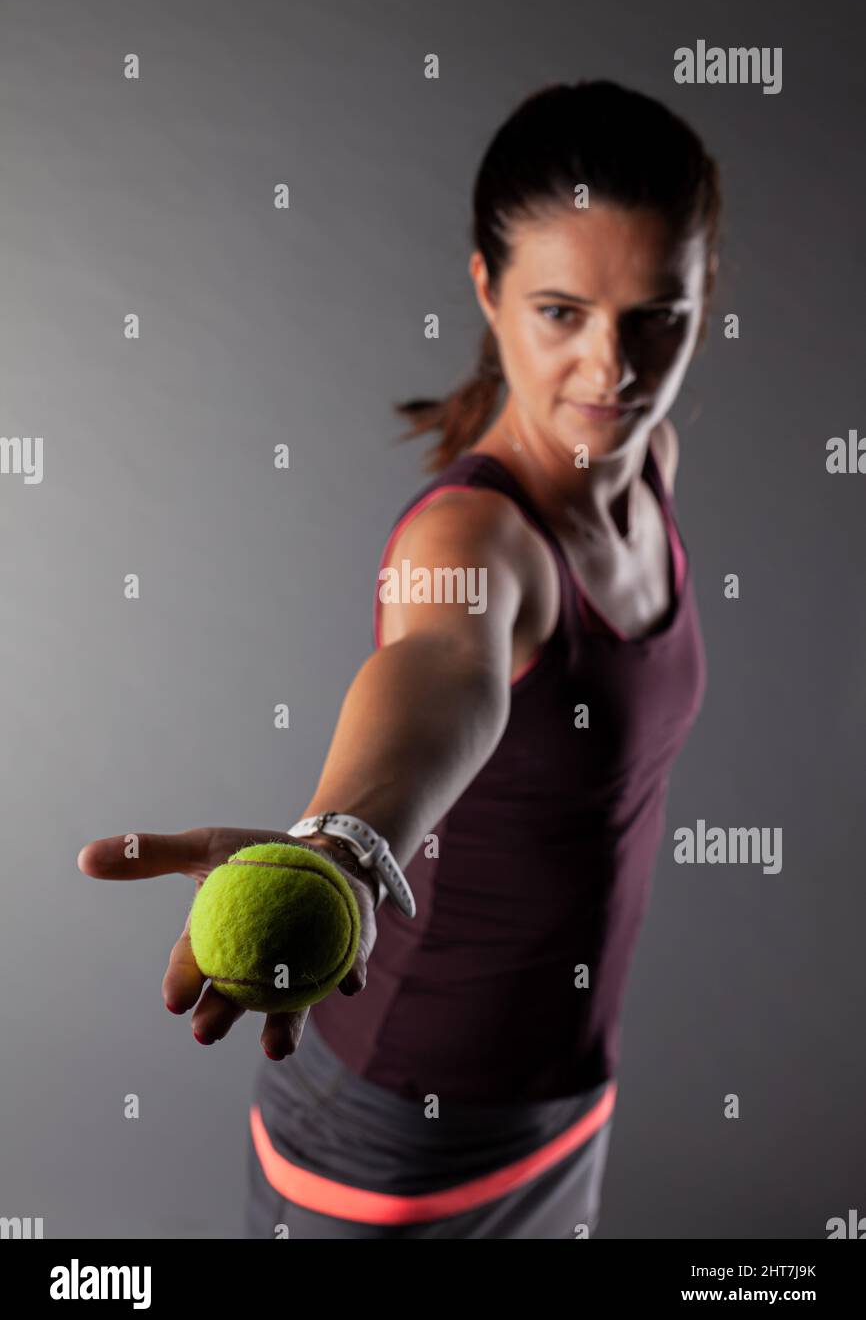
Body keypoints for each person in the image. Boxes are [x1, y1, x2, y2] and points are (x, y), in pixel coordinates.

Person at [78, 79, 720, 1239]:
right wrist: (345, 843)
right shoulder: (467, 536)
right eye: (560, 312)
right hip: (392, 1126)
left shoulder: (652, 456)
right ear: (486, 290)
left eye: (653, 318)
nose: (610, 368)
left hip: (564, 1101)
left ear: (704, 296)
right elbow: (438, 674)